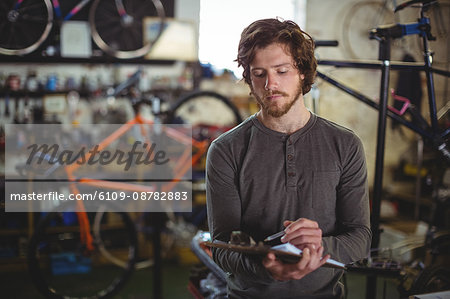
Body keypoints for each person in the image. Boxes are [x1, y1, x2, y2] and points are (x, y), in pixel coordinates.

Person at [205, 18, 371, 298]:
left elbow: (360, 238)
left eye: (282, 71)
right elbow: (222, 246)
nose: (270, 84)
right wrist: (266, 268)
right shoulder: (225, 150)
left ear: (304, 72)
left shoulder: (345, 145)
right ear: (248, 79)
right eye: (259, 73)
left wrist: (318, 248)